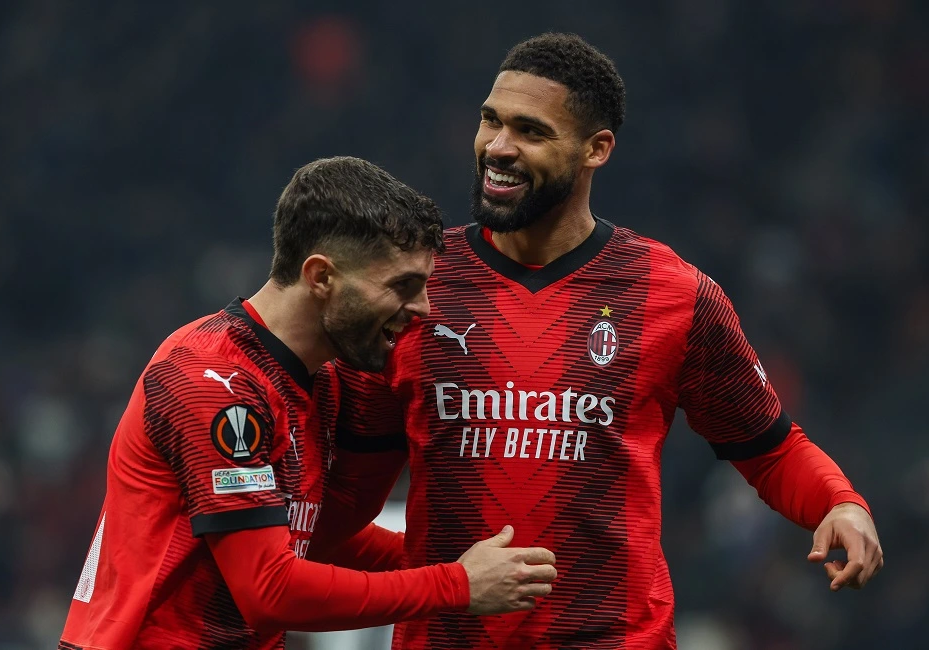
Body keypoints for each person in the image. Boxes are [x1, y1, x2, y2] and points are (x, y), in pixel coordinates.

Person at [312, 34, 884, 649]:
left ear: (597, 149)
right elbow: (344, 498)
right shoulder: (416, 286)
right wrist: (438, 574)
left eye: (530, 131)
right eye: (490, 121)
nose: (498, 148)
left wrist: (841, 504)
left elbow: (768, 447)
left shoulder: (670, 292)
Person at [58, 156, 558, 650]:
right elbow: (269, 591)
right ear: (320, 276)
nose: (423, 309)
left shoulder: (320, 380)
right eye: (402, 286)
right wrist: (455, 585)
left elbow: (306, 534)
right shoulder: (212, 381)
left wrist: (446, 560)